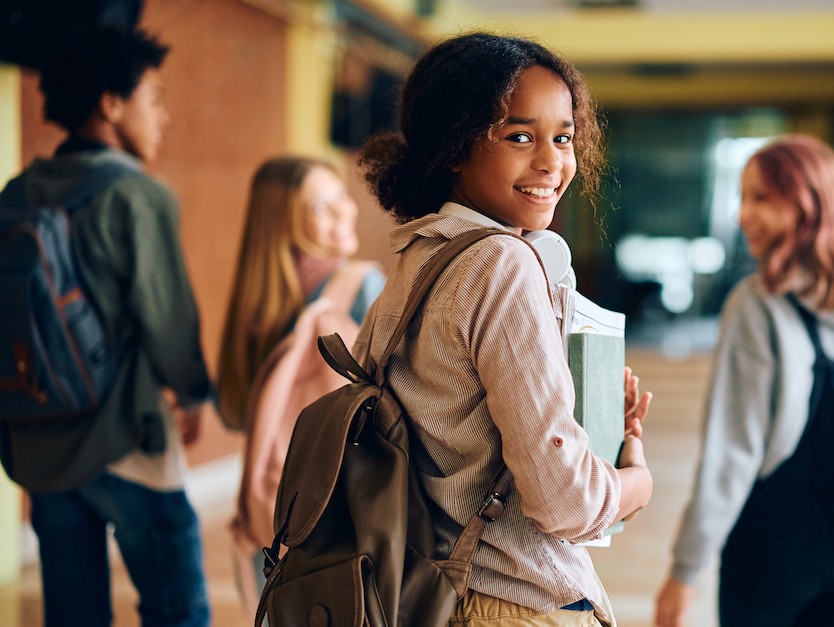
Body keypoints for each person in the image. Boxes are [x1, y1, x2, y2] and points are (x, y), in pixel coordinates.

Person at [353, 32, 653, 626]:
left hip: (424, 590)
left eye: (562, 137)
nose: (552, 162)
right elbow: (565, 501)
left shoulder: (419, 258)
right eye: (519, 136)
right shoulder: (500, 263)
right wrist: (633, 479)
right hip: (510, 602)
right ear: (456, 144)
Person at [654, 135, 834, 627]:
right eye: (742, 198)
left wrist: (683, 572)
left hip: (771, 552)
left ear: (807, 205)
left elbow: (731, 455)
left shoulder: (757, 306)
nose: (742, 215)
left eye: (761, 198)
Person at [0, 25, 212, 627]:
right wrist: (194, 392)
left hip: (39, 436)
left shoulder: (17, 192)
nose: (164, 116)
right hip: (128, 435)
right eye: (155, 98)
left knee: (73, 614)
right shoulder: (138, 194)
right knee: (178, 611)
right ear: (112, 104)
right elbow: (167, 316)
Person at [216, 156, 385, 614]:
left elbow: (232, 413)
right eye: (321, 207)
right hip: (336, 517)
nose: (345, 211)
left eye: (340, 198)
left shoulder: (253, 310)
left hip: (267, 518)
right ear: (284, 222)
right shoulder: (361, 286)